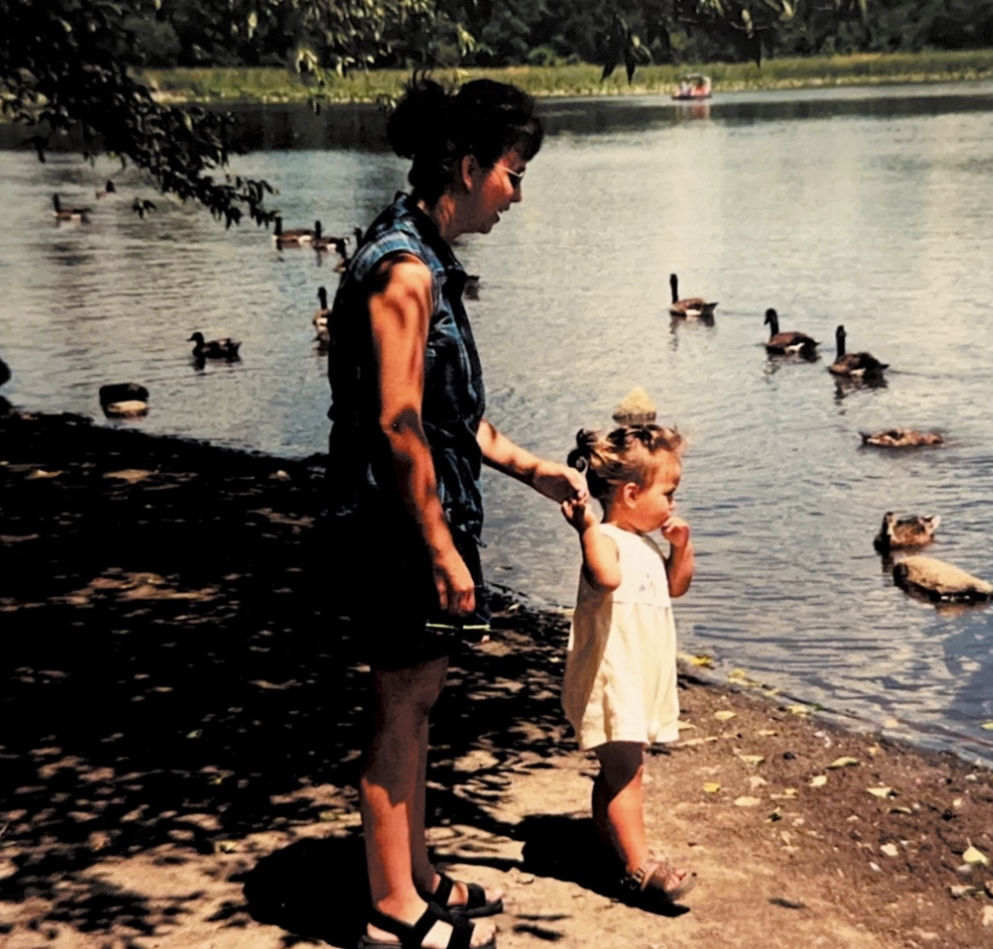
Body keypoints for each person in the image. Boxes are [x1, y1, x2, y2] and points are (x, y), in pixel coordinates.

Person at [325, 78, 588, 949]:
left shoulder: (425, 254)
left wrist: (538, 471)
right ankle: (390, 906)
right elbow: (398, 425)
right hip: (396, 525)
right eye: (515, 172)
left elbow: (456, 418)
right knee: (399, 704)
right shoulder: (403, 271)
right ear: (470, 167)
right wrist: (441, 547)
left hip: (419, 519)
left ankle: (418, 872)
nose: (518, 192)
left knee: (420, 699)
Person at [559, 424, 698, 906]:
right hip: (612, 677)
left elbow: (676, 586)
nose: (673, 504)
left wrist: (681, 548)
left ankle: (609, 844)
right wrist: (585, 528)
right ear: (632, 493)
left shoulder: (646, 543)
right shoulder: (607, 540)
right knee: (627, 773)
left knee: (620, 770)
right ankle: (639, 866)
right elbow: (606, 577)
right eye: (669, 494)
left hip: (640, 674)